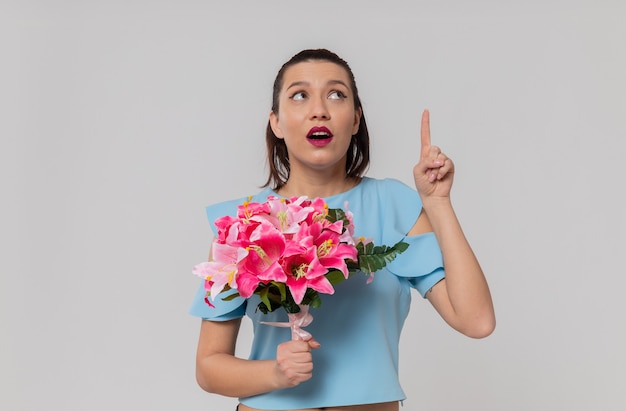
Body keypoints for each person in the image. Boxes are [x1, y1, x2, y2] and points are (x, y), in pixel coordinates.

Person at [190, 48, 495, 411]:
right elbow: (209, 367)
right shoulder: (244, 223)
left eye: (336, 94)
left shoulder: (393, 206)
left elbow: (476, 321)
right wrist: (275, 374)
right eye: (299, 95)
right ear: (276, 121)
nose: (319, 109)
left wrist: (438, 203)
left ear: (355, 120)